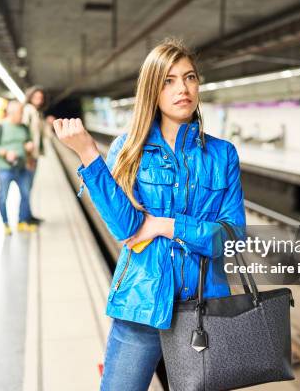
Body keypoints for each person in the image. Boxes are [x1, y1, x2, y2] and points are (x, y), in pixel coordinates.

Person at [53, 39, 246, 390]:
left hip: (204, 307)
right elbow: (125, 228)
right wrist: (87, 156)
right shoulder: (127, 150)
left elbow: (232, 236)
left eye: (189, 77)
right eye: (168, 81)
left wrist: (165, 225)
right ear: (151, 90)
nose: (182, 88)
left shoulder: (223, 155)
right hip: (141, 303)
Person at [0, 100, 36, 235]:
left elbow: (28, 141)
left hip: (22, 167)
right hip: (5, 168)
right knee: (3, 196)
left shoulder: (24, 127)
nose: (22, 116)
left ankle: (22, 221)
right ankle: (6, 223)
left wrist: (29, 146)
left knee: (26, 194)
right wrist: (5, 152)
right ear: (11, 113)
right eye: (20, 113)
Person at [23, 85, 47, 224]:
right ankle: (25, 218)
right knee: (26, 187)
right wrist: (28, 155)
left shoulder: (36, 112)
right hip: (29, 155)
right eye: (36, 97)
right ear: (30, 97)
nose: (39, 99)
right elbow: (24, 130)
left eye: (41, 98)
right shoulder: (28, 110)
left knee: (29, 186)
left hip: (34, 154)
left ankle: (28, 215)